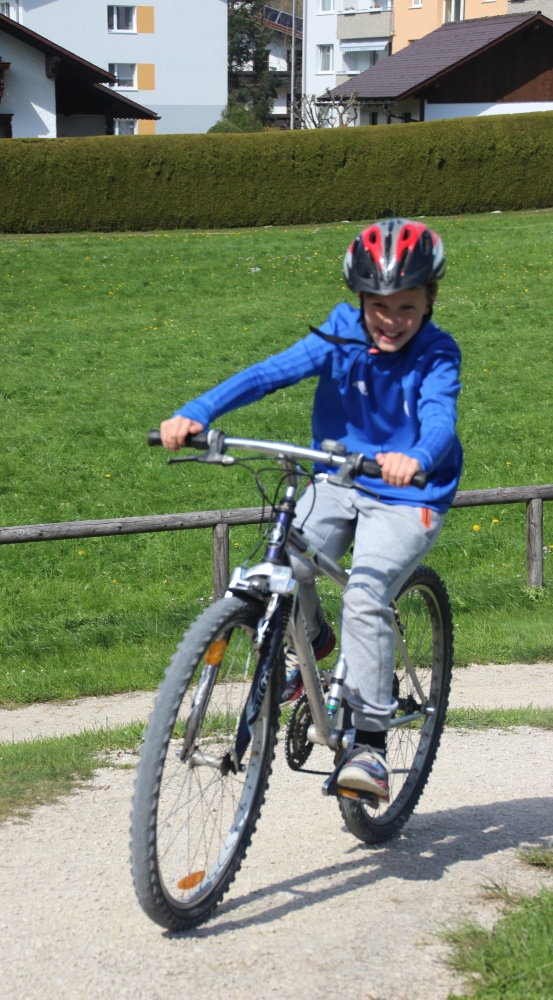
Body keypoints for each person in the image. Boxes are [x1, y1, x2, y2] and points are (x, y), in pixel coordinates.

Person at [159, 219, 462, 802]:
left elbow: (439, 418)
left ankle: (369, 745)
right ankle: (315, 640)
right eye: (379, 305)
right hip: (340, 476)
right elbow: (270, 373)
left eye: (406, 305)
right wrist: (198, 412)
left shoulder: (437, 353)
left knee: (365, 595)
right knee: (282, 562)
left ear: (429, 300)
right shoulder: (340, 333)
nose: (391, 319)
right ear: (360, 300)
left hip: (410, 493)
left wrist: (417, 457)